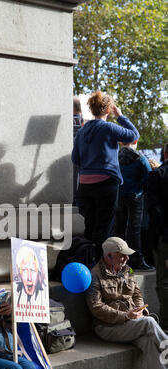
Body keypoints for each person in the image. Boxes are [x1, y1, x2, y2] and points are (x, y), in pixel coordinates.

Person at [86, 236, 168, 369]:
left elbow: (137, 292)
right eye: (122, 255)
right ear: (108, 256)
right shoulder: (94, 275)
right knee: (149, 323)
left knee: (147, 341)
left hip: (131, 322)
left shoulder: (127, 270)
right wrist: (125, 316)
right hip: (108, 326)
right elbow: (96, 308)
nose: (127, 258)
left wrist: (139, 309)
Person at [72, 91, 139, 259]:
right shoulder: (108, 127)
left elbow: (75, 158)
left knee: (90, 226)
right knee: (104, 227)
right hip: (106, 183)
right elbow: (134, 135)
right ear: (108, 110)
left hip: (85, 185)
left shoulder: (82, 131)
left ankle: (87, 261)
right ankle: (99, 266)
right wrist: (121, 117)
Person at [115, 139, 154, 271]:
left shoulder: (115, 157)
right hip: (136, 197)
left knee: (119, 229)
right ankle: (136, 260)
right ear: (135, 141)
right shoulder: (140, 158)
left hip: (119, 196)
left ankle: (118, 259)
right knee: (134, 230)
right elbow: (149, 177)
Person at [147, 142, 168, 332]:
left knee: (163, 281)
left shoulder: (156, 175)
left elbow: (153, 210)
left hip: (162, 236)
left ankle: (167, 323)